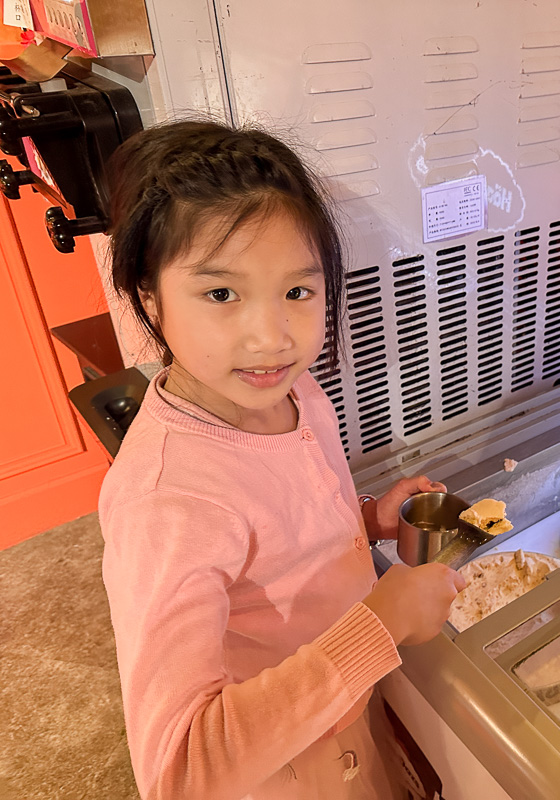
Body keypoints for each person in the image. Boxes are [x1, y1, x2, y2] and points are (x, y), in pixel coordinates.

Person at [97, 119, 466, 800]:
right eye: (220, 294)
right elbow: (178, 771)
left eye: (297, 291)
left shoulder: (297, 393)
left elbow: (277, 538)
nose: (271, 337)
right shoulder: (168, 501)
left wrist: (365, 521)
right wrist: (380, 624)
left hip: (346, 724)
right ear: (149, 297)